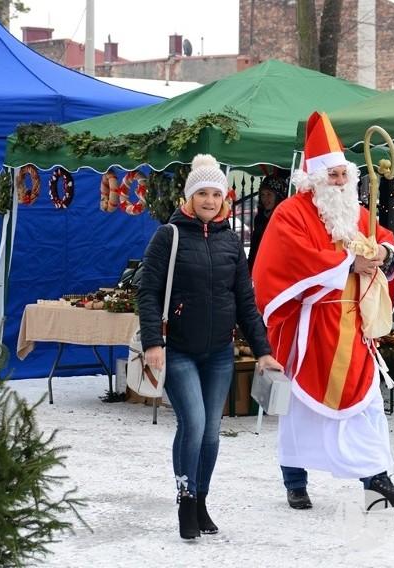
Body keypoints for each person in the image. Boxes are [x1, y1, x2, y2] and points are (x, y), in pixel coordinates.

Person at [251, 111, 394, 510]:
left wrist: (384, 254)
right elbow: (286, 260)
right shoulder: (290, 213)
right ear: (313, 178)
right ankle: (295, 481)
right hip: (309, 326)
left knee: (366, 405)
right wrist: (347, 265)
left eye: (344, 175)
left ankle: (377, 479)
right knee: (300, 410)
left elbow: (386, 241)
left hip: (353, 326)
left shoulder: (359, 214)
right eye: (333, 176)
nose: (340, 182)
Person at [138, 153, 283, 540]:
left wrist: (263, 349)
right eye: (201, 193)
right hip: (178, 350)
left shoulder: (231, 242)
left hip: (219, 351)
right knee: (195, 423)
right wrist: (153, 341)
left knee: (212, 432)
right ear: (190, 196)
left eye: (215, 194)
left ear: (224, 199)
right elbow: (147, 291)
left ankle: (201, 500)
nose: (208, 200)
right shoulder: (168, 235)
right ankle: (185, 501)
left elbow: (245, 300)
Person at [247, 173, 288, 273]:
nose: (265, 199)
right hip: (258, 267)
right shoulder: (259, 218)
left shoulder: (284, 218)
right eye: (263, 194)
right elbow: (254, 247)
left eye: (269, 194)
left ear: (278, 196)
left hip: (275, 270)